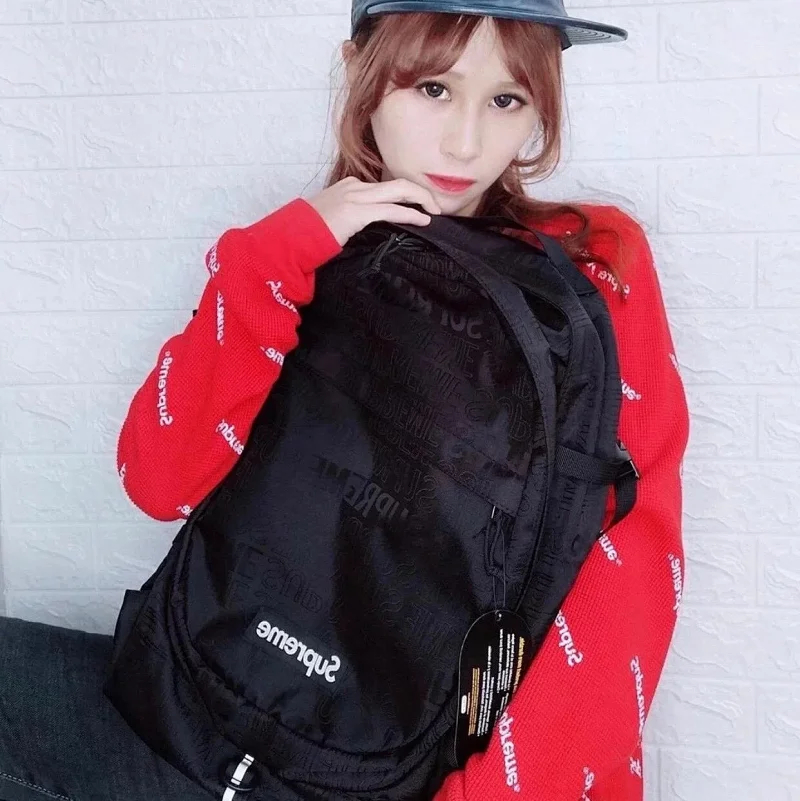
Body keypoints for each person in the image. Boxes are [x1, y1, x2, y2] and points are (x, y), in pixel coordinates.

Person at [0, 2, 689, 800]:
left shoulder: (594, 270)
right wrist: (272, 259)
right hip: (188, 709)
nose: (466, 142)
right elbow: (156, 480)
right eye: (434, 88)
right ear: (359, 67)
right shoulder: (307, 251)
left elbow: (628, 586)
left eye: (507, 99)